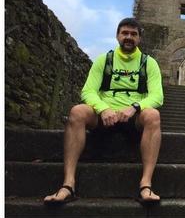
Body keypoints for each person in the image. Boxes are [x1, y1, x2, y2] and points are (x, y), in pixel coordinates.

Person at [44, 18, 163, 204]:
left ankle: (145, 185)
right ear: (117, 36)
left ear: (139, 38)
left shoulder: (149, 63)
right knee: (77, 111)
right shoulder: (104, 60)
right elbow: (88, 91)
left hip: (133, 118)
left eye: (133, 34)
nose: (129, 37)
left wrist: (134, 107)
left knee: (153, 115)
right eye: (125, 33)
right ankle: (68, 185)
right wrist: (103, 108)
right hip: (104, 116)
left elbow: (157, 96)